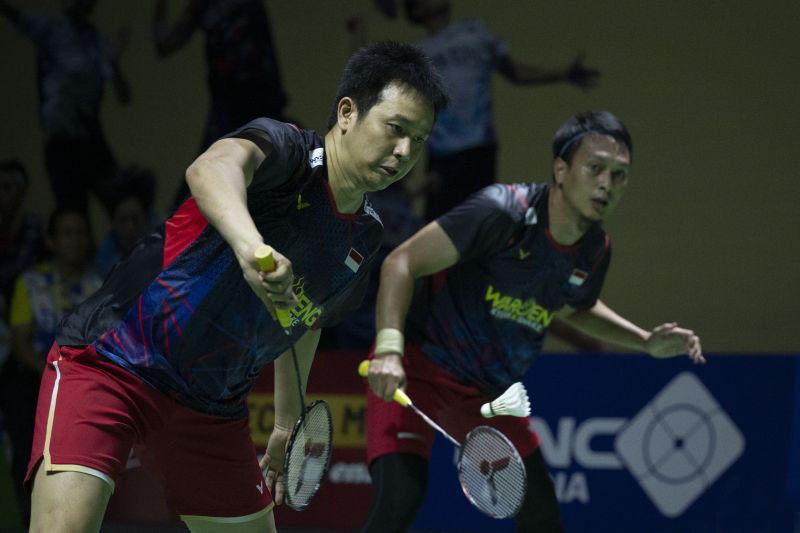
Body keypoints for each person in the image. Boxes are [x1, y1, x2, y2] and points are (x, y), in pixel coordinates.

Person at [26, 41, 446, 533]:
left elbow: (304, 320)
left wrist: (288, 424)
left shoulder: (364, 237)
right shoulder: (287, 152)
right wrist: (251, 249)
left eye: (418, 141)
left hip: (210, 409)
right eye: (396, 129)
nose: (404, 152)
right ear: (348, 113)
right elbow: (210, 168)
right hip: (114, 360)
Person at [361, 111, 705, 532]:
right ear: (561, 169)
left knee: (542, 516)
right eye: (595, 168)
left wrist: (645, 341)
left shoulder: (593, 249)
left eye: (620, 175)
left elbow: (573, 305)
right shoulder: (502, 212)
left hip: (488, 394)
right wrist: (391, 350)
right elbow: (402, 262)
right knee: (400, 501)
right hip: (415, 369)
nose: (606, 184)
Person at [401, 0, 600, 221]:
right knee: (441, 227)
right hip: (444, 154)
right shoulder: (418, 54)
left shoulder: (475, 32)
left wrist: (562, 74)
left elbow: (514, 71)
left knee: (481, 224)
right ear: (416, 9)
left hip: (479, 148)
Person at [4, 207, 100, 526]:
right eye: (67, 233)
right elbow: (20, 343)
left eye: (80, 233)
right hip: (35, 381)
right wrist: (55, 373)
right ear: (52, 240)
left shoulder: (101, 284)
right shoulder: (30, 282)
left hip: (85, 385)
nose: (75, 240)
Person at [153, 0, 291, 208]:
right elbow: (164, 44)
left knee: (284, 181)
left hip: (263, 102)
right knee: (201, 181)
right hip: (227, 106)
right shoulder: (202, 7)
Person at [0, 0, 130, 214]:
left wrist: (115, 64)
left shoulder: (95, 40)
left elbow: (124, 95)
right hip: (61, 143)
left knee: (122, 203)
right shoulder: (51, 28)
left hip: (91, 140)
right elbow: (17, 16)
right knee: (72, 214)